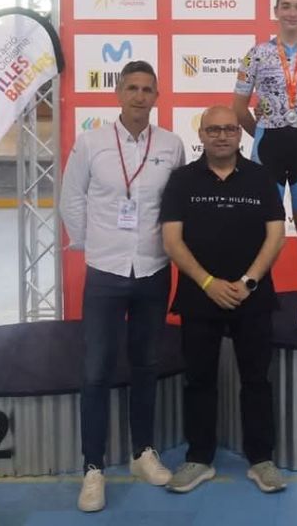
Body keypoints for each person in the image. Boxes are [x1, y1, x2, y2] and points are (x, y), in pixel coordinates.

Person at [59, 60, 186, 513]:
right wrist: (94, 245)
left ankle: (142, 453)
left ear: (156, 96)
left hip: (153, 269)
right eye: (132, 88)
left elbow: (176, 204)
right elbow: (71, 198)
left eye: (147, 89)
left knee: (146, 364)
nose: (139, 96)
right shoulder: (92, 142)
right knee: (96, 369)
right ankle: (93, 468)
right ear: (118, 93)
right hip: (105, 271)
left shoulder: (171, 145)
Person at [160, 105, 288, 494]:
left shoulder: (261, 177)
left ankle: (261, 460)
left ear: (239, 134)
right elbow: (172, 240)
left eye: (229, 129)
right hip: (199, 296)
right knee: (199, 380)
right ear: (201, 135)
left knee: (256, 380)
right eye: (213, 130)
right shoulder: (181, 180)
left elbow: (276, 234)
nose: (221, 136)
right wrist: (207, 282)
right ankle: (199, 459)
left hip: (253, 296)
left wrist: (248, 282)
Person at [233, 0, 297, 332]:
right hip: (268, 148)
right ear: (275, 10)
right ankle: (261, 299)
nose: (292, 12)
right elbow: (238, 107)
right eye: (286, 6)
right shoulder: (256, 54)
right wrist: (261, 133)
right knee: (264, 229)